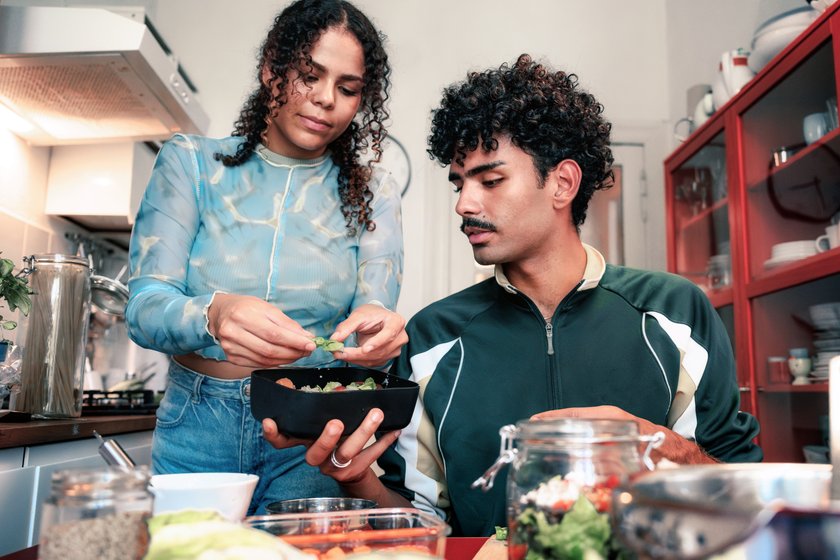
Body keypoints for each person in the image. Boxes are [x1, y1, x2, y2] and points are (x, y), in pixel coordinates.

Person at [264, 53, 763, 535]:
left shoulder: (674, 311)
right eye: (459, 183)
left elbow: (747, 494)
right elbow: (421, 525)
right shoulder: (432, 336)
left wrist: (658, 445)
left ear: (563, 183)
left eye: (491, 179)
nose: (464, 203)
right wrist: (359, 480)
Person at [125, 0, 406, 514]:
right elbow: (143, 308)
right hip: (197, 421)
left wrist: (378, 335)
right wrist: (212, 314)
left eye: (347, 89)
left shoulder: (375, 192)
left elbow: (373, 326)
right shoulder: (190, 164)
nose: (326, 100)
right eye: (308, 75)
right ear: (271, 69)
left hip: (311, 433)